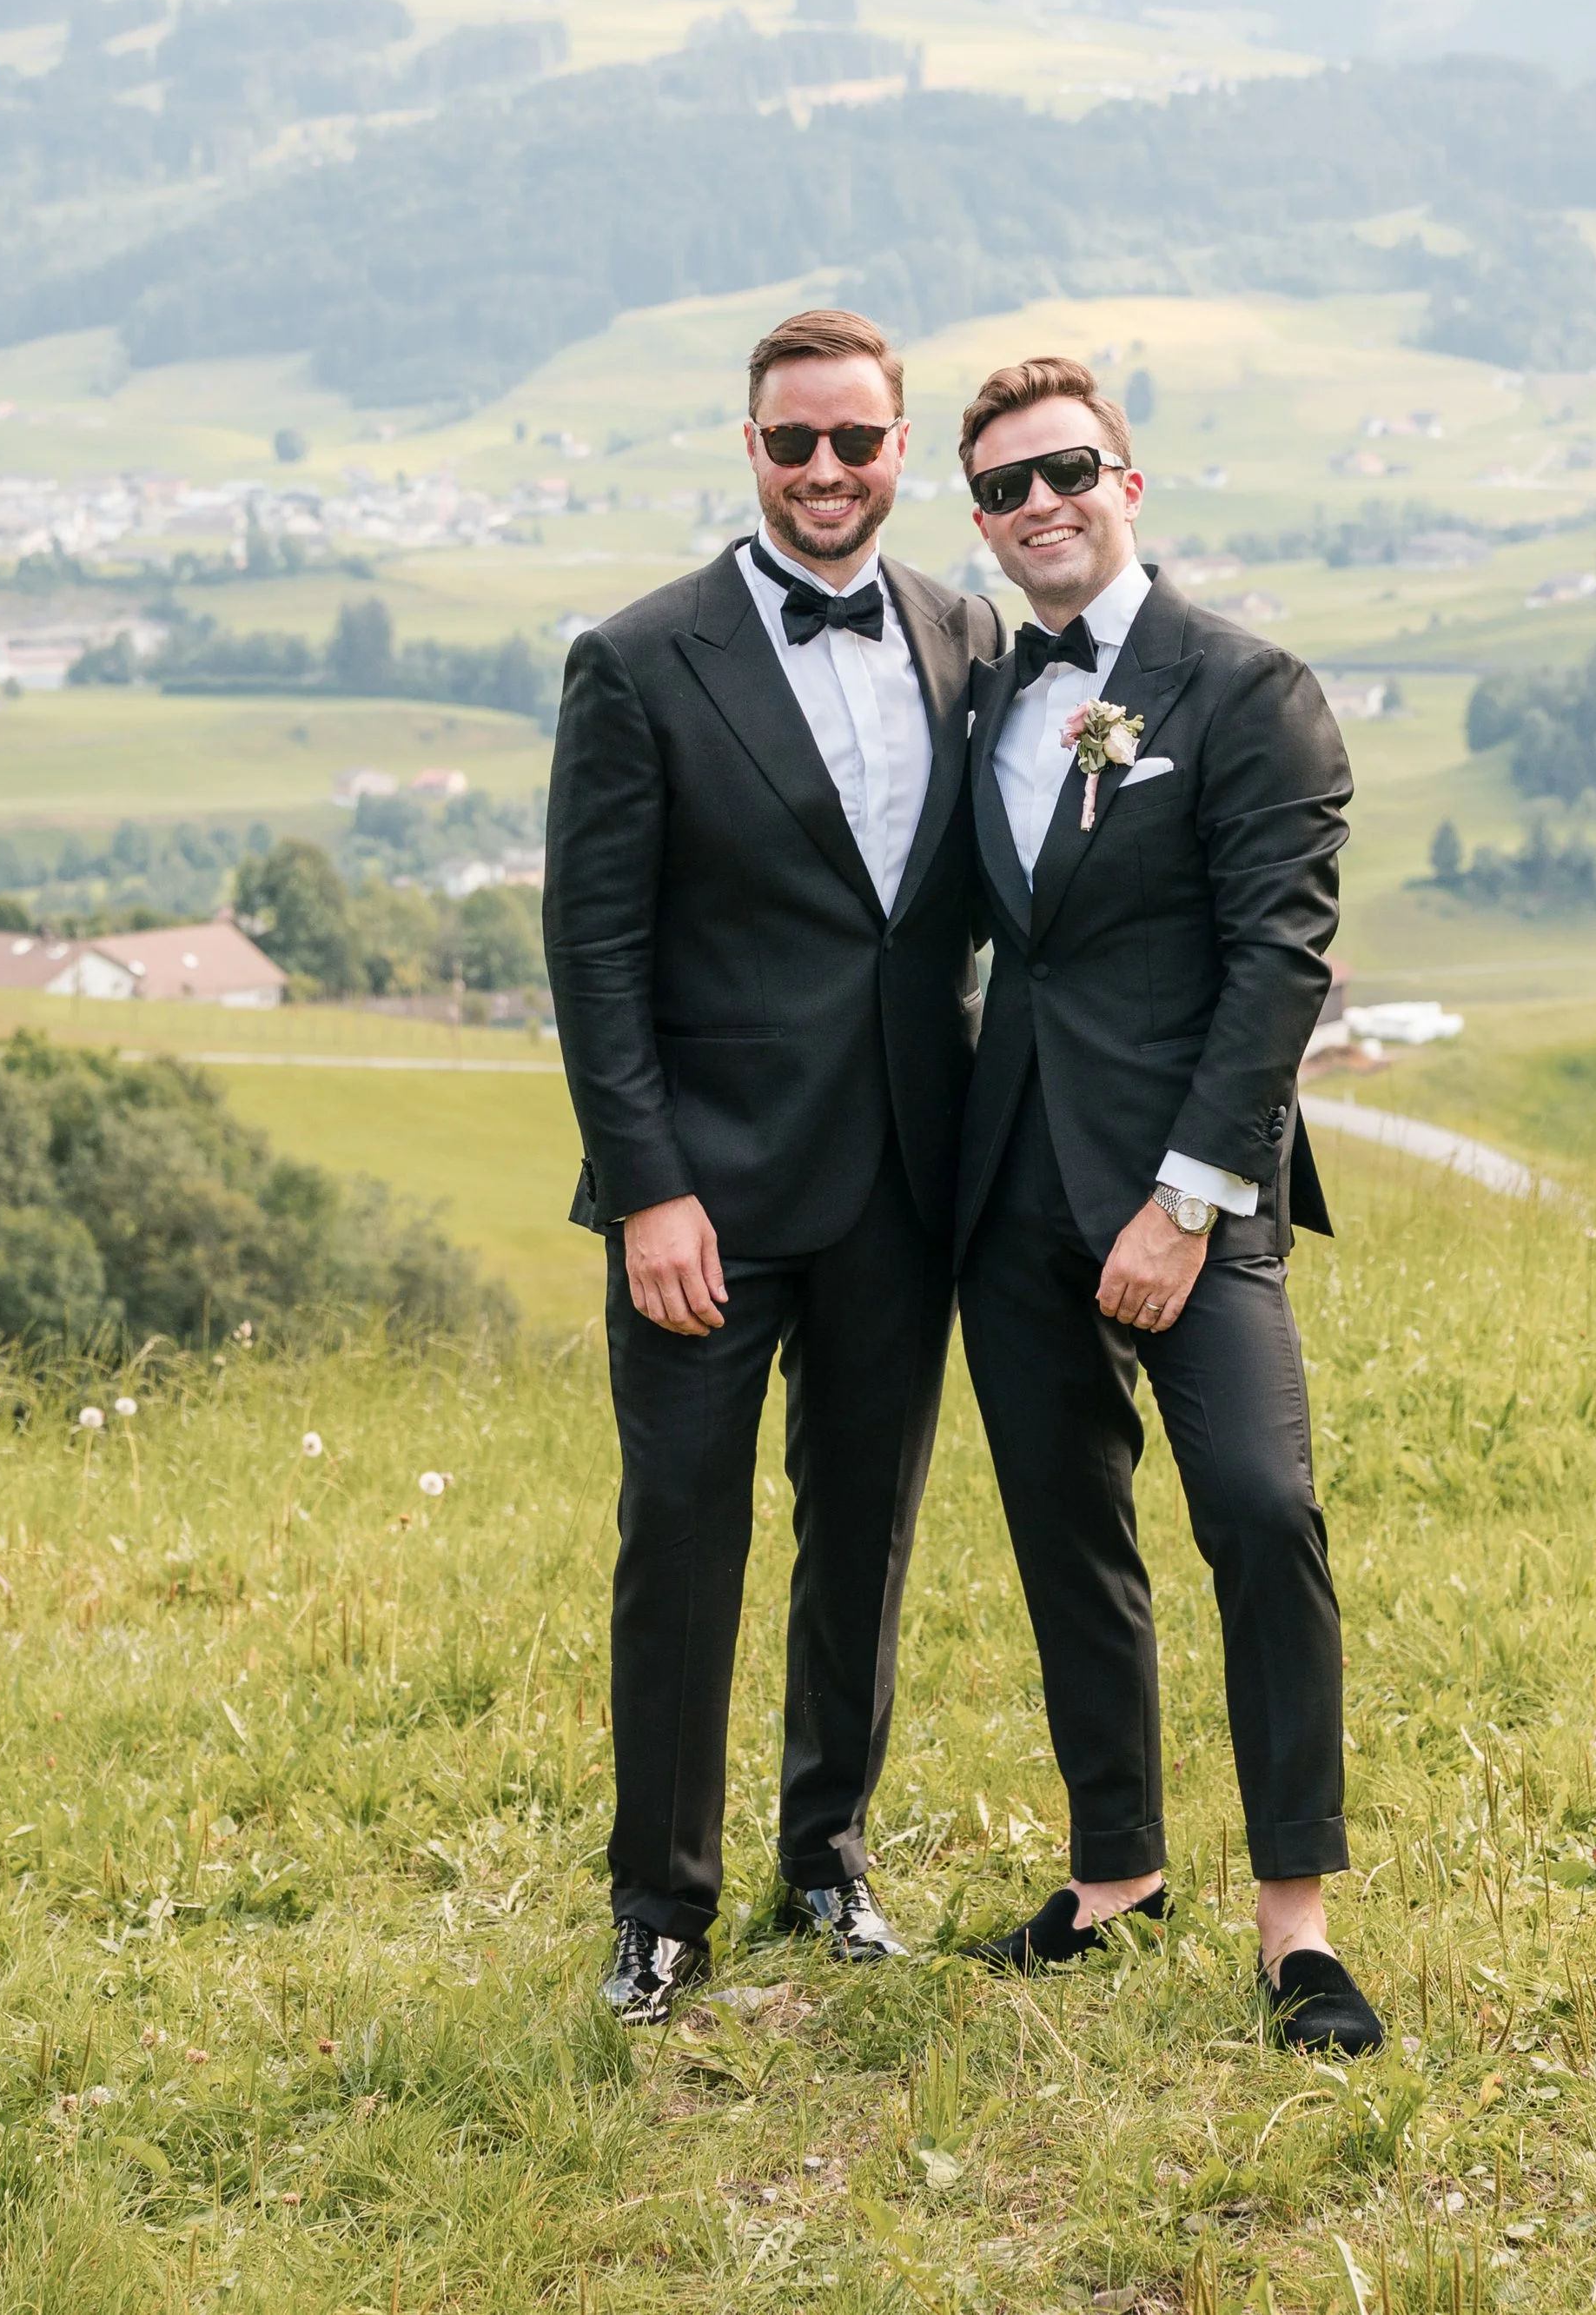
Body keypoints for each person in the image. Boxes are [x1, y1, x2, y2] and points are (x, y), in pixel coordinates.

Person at [542, 306, 1005, 2023]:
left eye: (857, 442)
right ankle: (661, 1903)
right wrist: (647, 1183)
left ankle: (828, 1861)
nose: (824, 470)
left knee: (862, 1531)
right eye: (791, 442)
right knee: (680, 1530)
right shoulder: (639, 656)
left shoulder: (964, 636)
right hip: (706, 1199)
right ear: (748, 449)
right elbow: (590, 949)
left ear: (902, 453)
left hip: (904, 1175)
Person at [950, 352, 1382, 2057]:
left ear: (1128, 482)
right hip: (1005, 1191)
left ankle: (1297, 1929)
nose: (1038, 504)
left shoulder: (1244, 686)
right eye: (1001, 486)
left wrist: (1183, 1203)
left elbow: (1280, 961)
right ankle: (1114, 1868)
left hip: (1185, 1192)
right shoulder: (985, 696)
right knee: (1067, 1534)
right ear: (978, 521)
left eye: (1065, 470)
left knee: (1259, 1511)